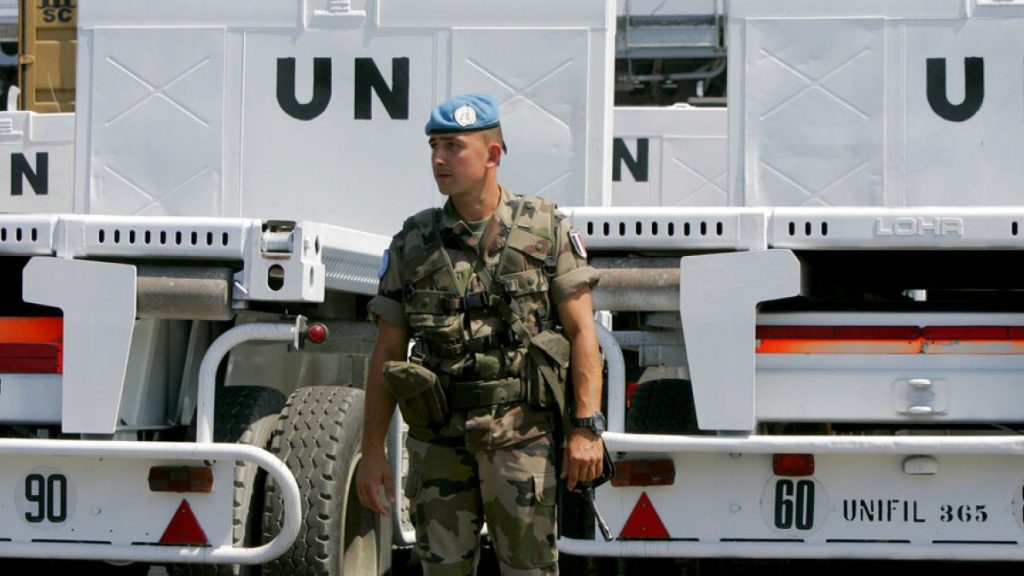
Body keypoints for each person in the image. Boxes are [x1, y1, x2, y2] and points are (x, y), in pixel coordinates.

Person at [355, 93, 605, 576]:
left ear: (492, 154)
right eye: (434, 146)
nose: (438, 159)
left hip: (521, 437)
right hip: (438, 442)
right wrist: (371, 452)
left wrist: (585, 427)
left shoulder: (546, 229)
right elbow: (386, 352)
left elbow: (582, 333)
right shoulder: (413, 242)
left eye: (453, 146)